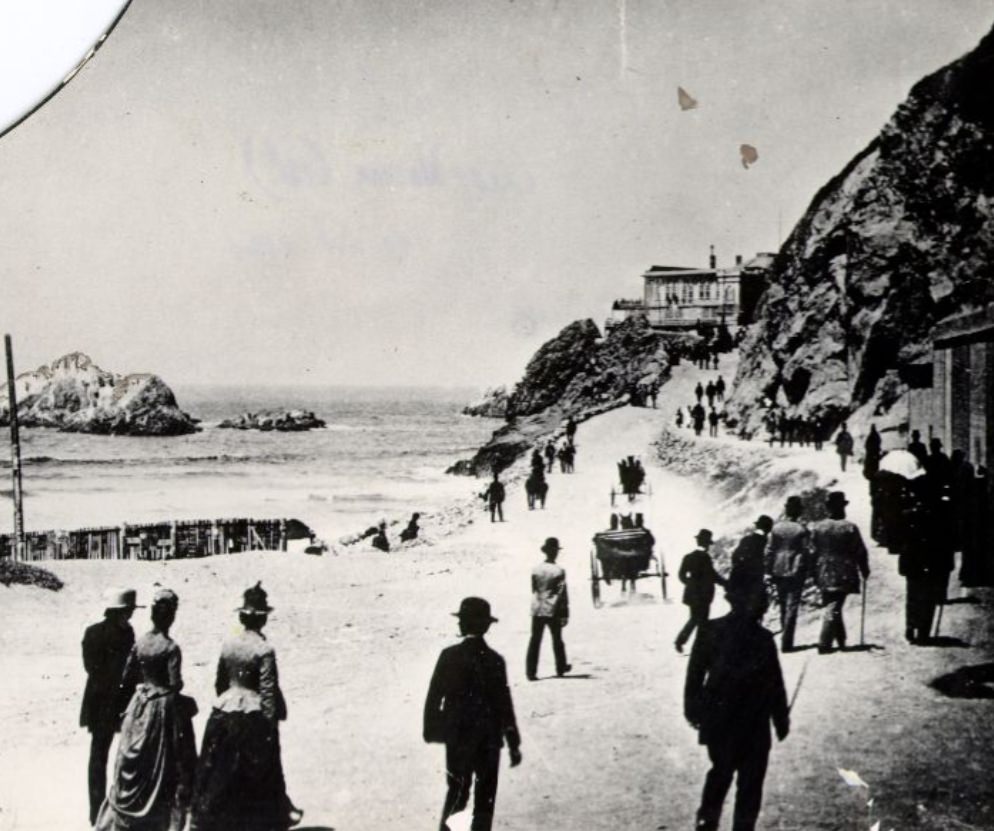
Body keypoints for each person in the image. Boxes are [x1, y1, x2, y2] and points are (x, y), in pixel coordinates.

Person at [191, 583, 302, 831]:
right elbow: (268, 690)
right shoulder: (265, 649)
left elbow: (220, 682)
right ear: (262, 620)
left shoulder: (229, 644)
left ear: (242, 617)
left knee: (218, 770)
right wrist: (271, 726)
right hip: (253, 715)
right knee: (260, 772)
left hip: (225, 711)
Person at [684, 585, 790, 831]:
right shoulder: (762, 638)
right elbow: (775, 683)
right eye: (762, 602)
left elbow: (694, 676)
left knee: (720, 772)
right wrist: (781, 719)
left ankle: (706, 824)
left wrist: (693, 710)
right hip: (754, 722)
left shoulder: (709, 629)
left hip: (719, 718)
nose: (764, 607)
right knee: (750, 783)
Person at [95, 589, 197, 831]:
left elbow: (128, 675)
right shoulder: (171, 647)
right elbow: (174, 683)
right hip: (161, 709)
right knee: (166, 763)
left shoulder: (140, 642)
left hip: (139, 706)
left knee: (133, 760)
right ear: (171, 617)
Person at [424, 597, 522, 831]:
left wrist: (433, 730)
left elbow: (434, 696)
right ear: (487, 626)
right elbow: (504, 705)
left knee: (457, 790)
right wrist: (513, 742)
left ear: (461, 624)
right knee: (485, 797)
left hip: (457, 737)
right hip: (488, 739)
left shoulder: (449, 656)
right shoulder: (495, 660)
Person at [81, 588, 140, 826]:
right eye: (129, 611)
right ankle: (112, 808)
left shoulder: (93, 632)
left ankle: (96, 810)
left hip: (99, 701)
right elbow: (128, 669)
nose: (130, 615)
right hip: (117, 701)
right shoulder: (125, 634)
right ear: (121, 611)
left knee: (98, 756)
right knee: (118, 755)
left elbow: (91, 667)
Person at [809, 492, 870, 653]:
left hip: (823, 569)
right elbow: (860, 551)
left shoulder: (818, 527)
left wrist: (812, 571)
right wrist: (864, 569)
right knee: (835, 605)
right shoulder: (849, 527)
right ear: (842, 507)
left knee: (832, 602)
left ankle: (841, 640)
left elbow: (811, 551)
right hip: (844, 569)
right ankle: (824, 642)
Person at [899, 477, 954, 644]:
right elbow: (947, 541)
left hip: (913, 562)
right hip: (933, 562)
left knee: (913, 595)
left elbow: (902, 541)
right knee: (928, 597)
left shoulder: (907, 514)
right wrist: (947, 564)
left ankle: (911, 626)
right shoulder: (942, 514)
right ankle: (923, 631)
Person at [765, 497, 811, 652]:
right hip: (795, 569)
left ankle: (784, 637)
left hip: (778, 568)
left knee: (783, 604)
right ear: (798, 511)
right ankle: (787, 642)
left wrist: (768, 570)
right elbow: (807, 551)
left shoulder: (776, 528)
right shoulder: (801, 529)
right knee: (792, 606)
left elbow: (769, 551)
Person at [526, 537, 571, 679]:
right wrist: (565, 613)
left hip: (537, 607)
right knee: (557, 639)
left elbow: (533, 588)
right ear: (556, 553)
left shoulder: (536, 569)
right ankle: (560, 667)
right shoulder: (559, 571)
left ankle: (531, 672)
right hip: (553, 608)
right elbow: (562, 593)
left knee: (535, 639)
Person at [675, 530, 727, 653]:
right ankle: (696, 646)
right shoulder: (705, 558)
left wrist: (690, 583)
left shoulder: (688, 557)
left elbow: (681, 575)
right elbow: (713, 575)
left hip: (692, 594)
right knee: (701, 620)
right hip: (704, 594)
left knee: (695, 618)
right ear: (707, 544)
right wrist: (726, 583)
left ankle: (682, 641)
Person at [729, 515, 773, 608]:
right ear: (768, 529)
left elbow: (734, 557)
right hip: (751, 583)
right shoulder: (764, 542)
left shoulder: (746, 539)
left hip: (736, 581)